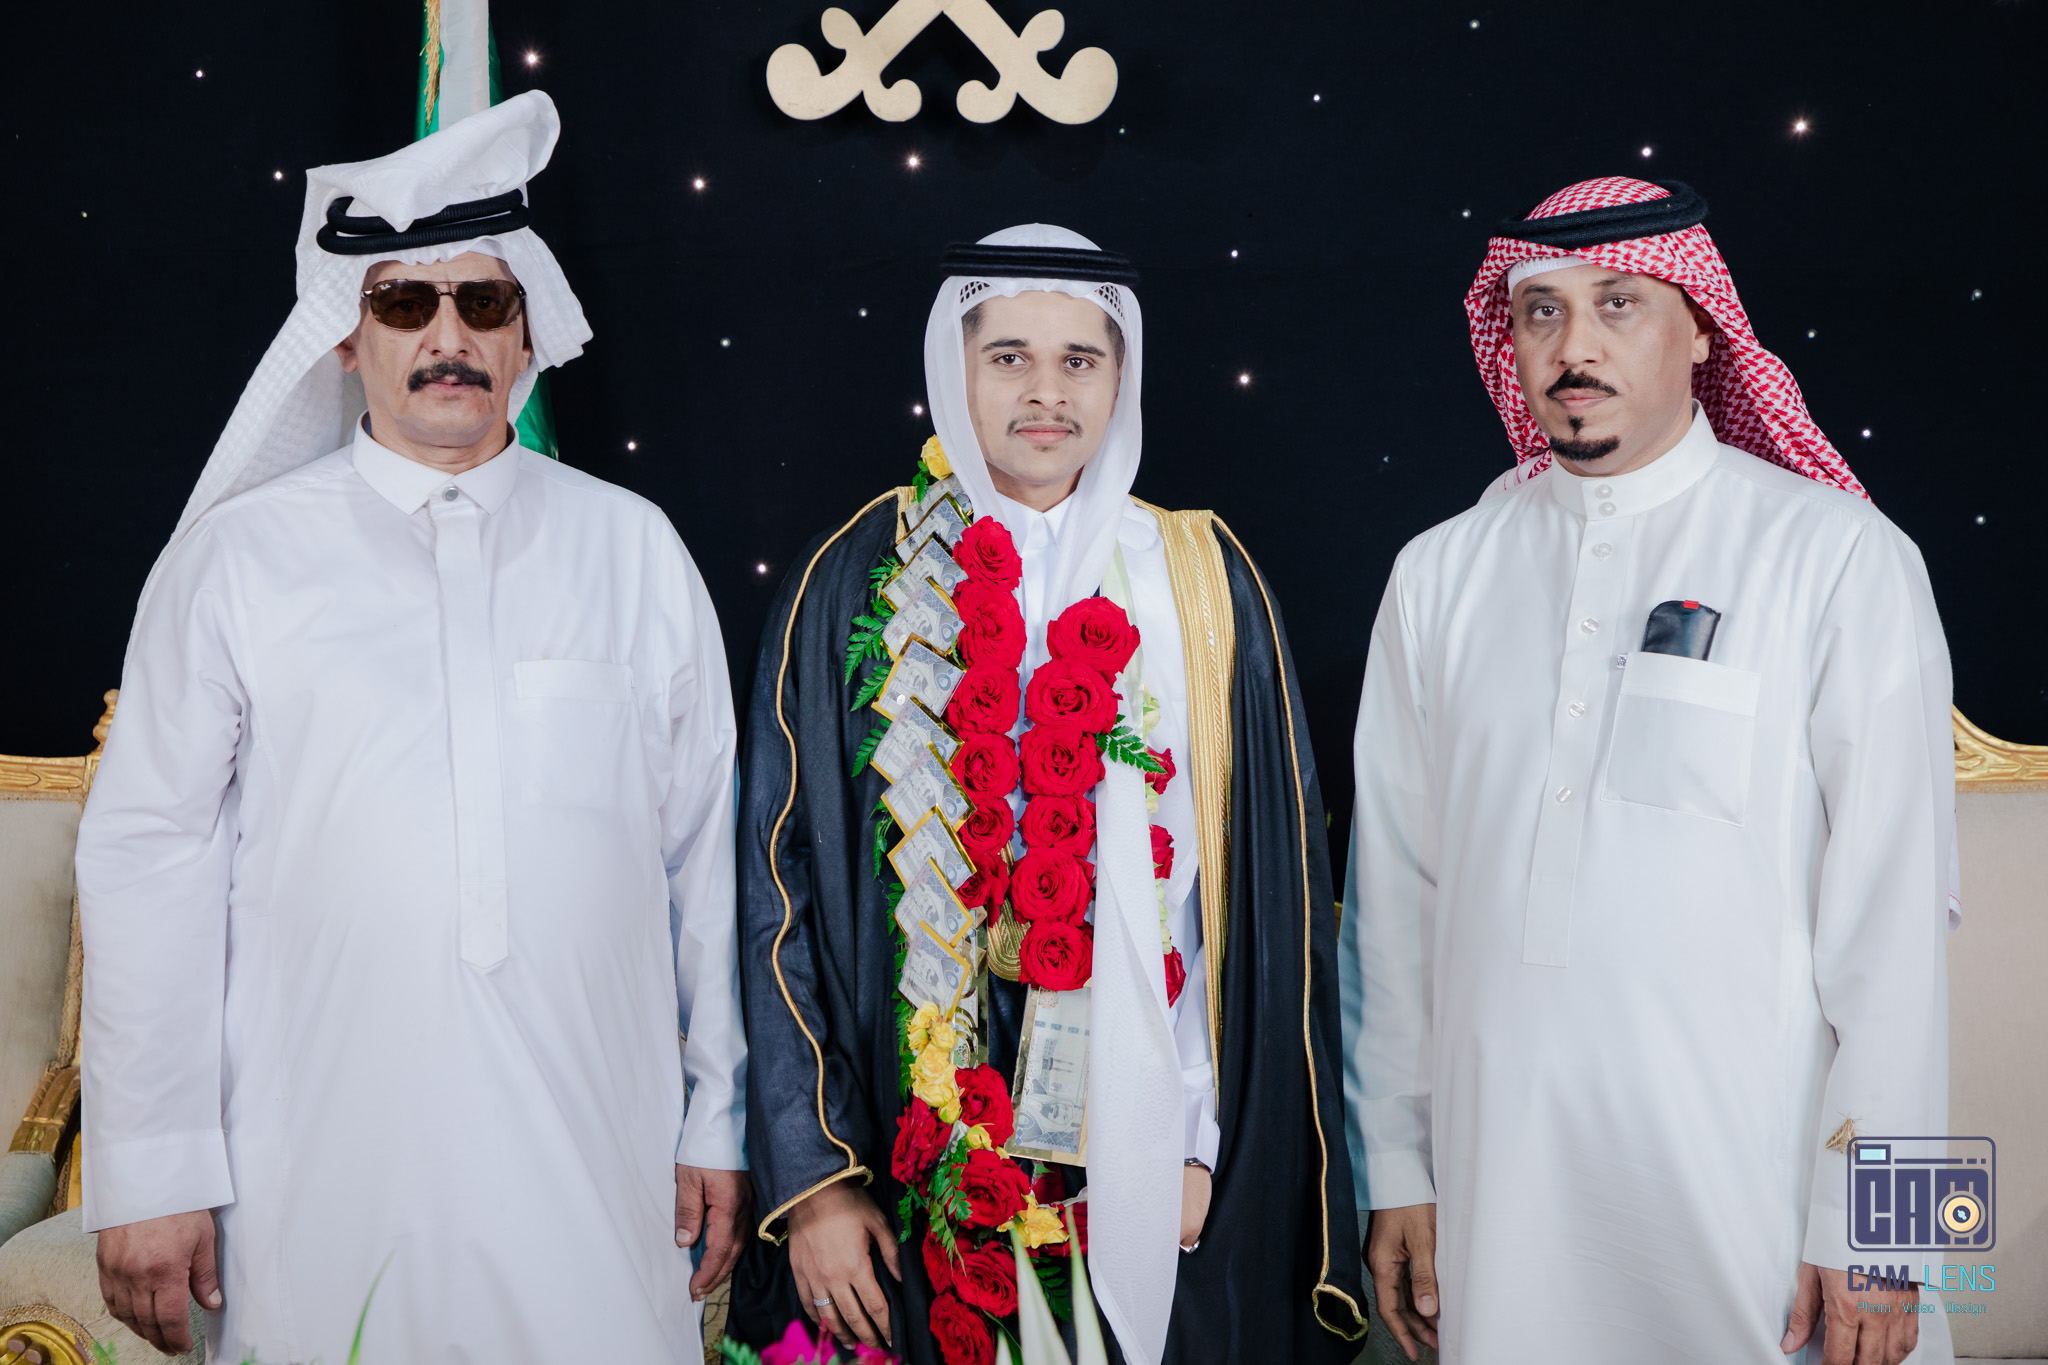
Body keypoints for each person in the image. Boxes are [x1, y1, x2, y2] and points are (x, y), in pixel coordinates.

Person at [74, 92, 749, 1363]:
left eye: (483, 303)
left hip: (597, 1157)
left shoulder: (634, 551)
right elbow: (148, 863)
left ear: (528, 334)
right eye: (403, 306)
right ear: (344, 337)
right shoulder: (236, 563)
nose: (449, 337)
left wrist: (719, 1116)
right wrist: (153, 1166)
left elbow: (704, 860)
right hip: (309, 1163)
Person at [1340, 176, 1956, 1365]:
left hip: (1758, 1202)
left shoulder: (1837, 558)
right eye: (1541, 312)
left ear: (1702, 331)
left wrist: (1891, 1237)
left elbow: (1898, 939)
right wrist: (1395, 1168)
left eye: (1617, 304)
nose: (1573, 348)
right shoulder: (1438, 575)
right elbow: (1393, 907)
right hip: (1497, 1189)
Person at [729, 225, 1367, 1365]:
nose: (1045, 392)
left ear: (1121, 378)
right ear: (954, 369)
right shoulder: (856, 575)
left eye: (1080, 360)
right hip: (906, 1146)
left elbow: (1257, 907)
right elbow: (777, 890)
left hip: (1155, 1131)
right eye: (1009, 356)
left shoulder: (1197, 577)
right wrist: (817, 1178)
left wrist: (1197, 1137)